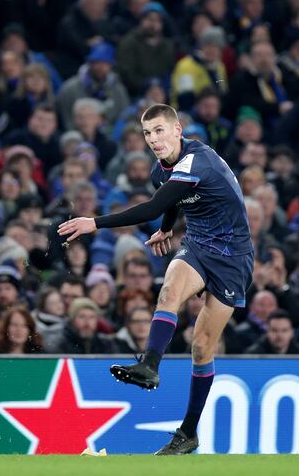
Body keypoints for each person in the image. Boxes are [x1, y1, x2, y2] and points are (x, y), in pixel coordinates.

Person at [58, 103, 253, 455]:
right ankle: (150, 363)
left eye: (160, 131)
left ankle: (188, 433)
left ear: (178, 130)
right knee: (168, 292)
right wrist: (166, 229)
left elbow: (151, 206)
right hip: (196, 245)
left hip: (232, 259)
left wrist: (94, 223)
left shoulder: (199, 160)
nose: (153, 139)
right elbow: (170, 203)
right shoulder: (161, 170)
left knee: (202, 347)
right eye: (148, 133)